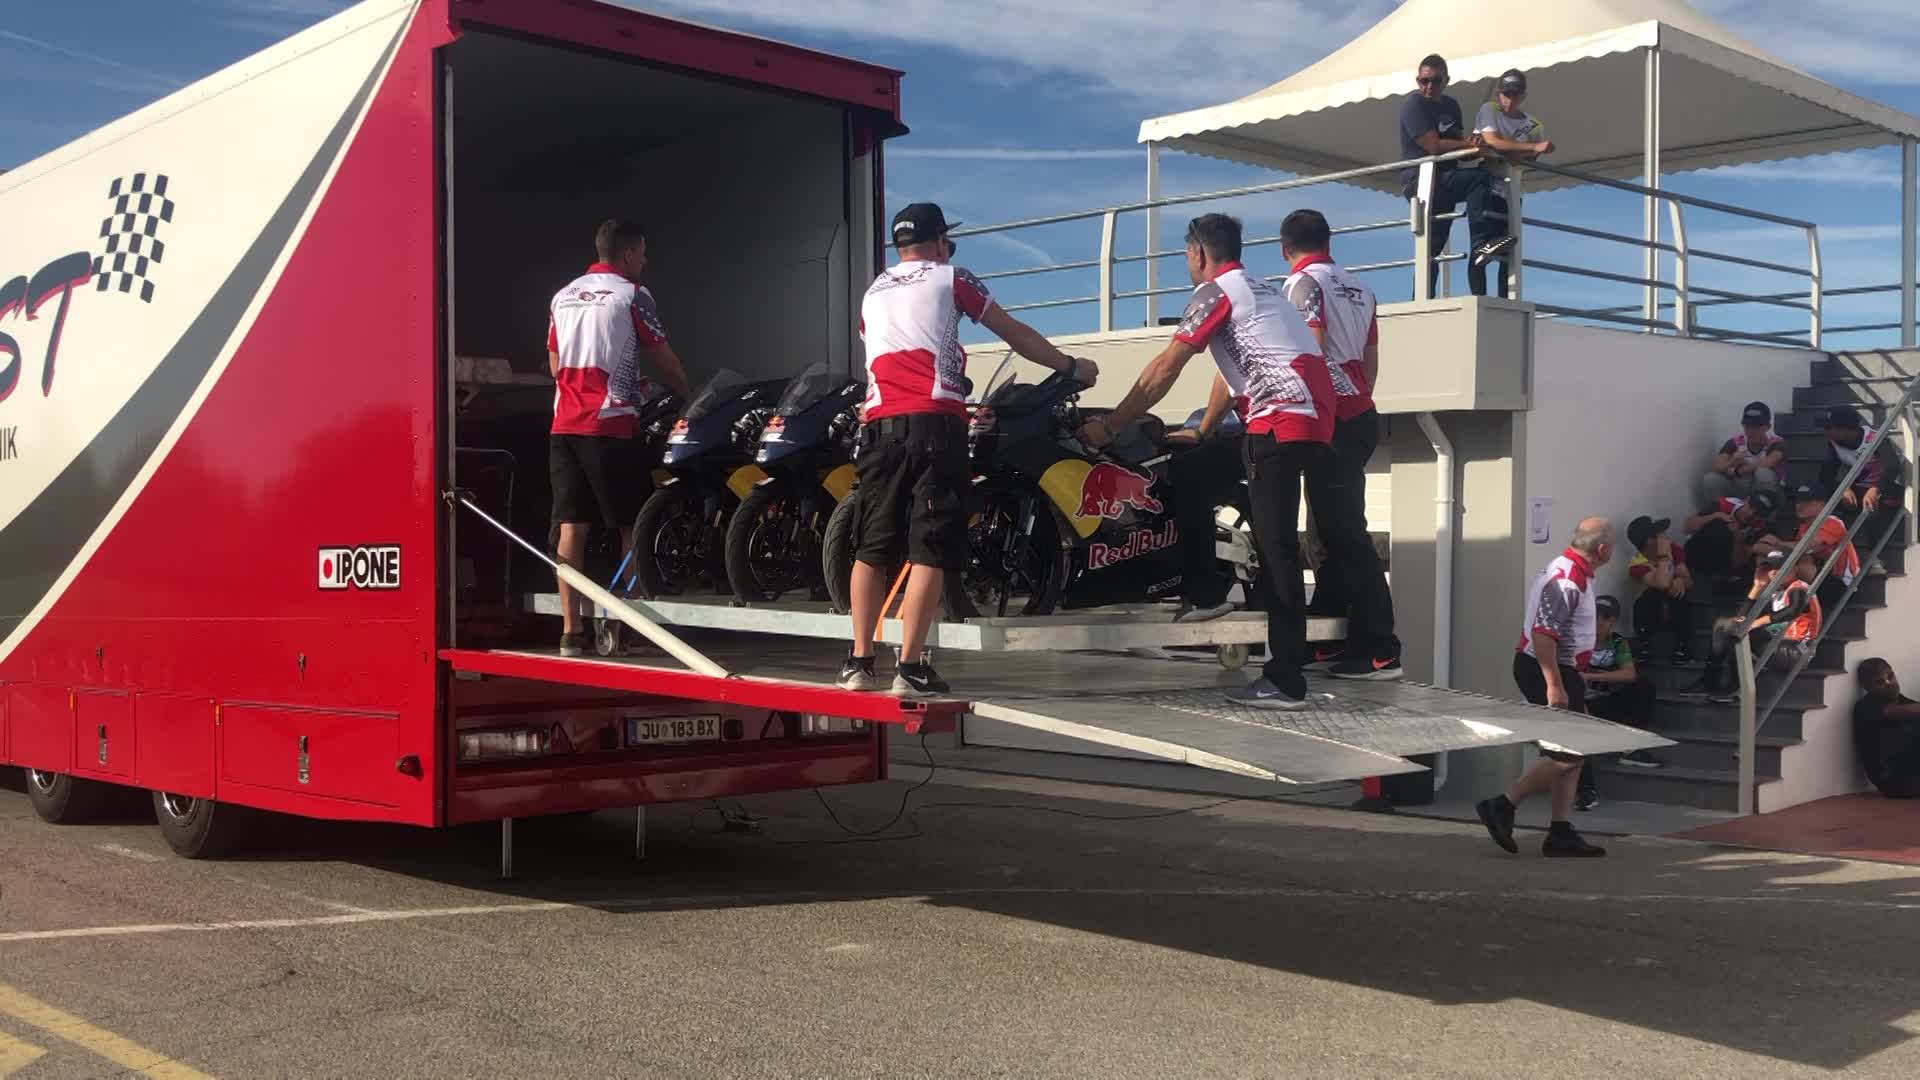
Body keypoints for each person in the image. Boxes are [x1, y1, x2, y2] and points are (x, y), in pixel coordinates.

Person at [1080, 213, 1335, 709]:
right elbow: (1231, 373)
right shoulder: (1260, 291)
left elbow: (1164, 370)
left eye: (1185, 254)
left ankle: (1284, 679)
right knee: (1196, 470)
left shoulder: (1215, 292)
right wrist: (1202, 430)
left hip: (1278, 424)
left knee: (1278, 549)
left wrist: (1110, 426)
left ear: (1197, 253)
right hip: (1312, 420)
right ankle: (1209, 590)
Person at [842, 203, 1096, 695]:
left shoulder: (873, 291)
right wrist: (1070, 366)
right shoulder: (952, 277)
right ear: (940, 243)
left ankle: (858, 662)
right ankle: (910, 669)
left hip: (878, 427)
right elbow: (1014, 333)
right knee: (930, 548)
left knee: (871, 548)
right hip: (936, 426)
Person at [548, 219, 692, 658]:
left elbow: (554, 363)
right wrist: (687, 395)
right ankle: (629, 624)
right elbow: (663, 356)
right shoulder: (632, 294)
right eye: (642, 255)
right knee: (631, 524)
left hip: (564, 424)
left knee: (572, 527)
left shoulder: (563, 295)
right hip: (611, 425)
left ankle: (572, 632)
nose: (645, 262)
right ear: (628, 254)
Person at [1271, 208, 1401, 679]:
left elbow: (1311, 349)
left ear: (1284, 248)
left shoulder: (1301, 285)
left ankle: (1381, 647)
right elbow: (1370, 360)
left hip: (1332, 418)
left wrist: (1319, 414)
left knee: (1344, 534)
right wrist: (1356, 401)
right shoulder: (1361, 288)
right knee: (1327, 529)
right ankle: (1329, 636)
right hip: (1359, 412)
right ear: (1328, 241)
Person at [1475, 516, 1614, 858]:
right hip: (1545, 669)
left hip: (1562, 670)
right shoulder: (1567, 579)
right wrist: (1554, 684)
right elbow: (1543, 634)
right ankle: (1503, 804)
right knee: (1568, 754)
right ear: (1602, 549)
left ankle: (1560, 831)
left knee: (1573, 752)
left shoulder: (1573, 570)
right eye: (1612, 543)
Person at [1398, 54, 1513, 298]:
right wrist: (1469, 146)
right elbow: (1433, 146)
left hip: (1445, 178)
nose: (1429, 85)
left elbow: (1458, 148)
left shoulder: (1451, 106)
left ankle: (1421, 300)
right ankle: (1481, 244)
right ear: (1418, 81)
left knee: (1433, 247)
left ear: (1446, 80)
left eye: (1436, 80)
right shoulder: (1413, 105)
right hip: (1420, 181)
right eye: (1424, 80)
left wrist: (1475, 146)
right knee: (1479, 179)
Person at [1680, 551, 1820, 705]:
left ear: (1794, 568)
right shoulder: (1777, 592)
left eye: (1779, 568)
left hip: (1797, 650)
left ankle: (1733, 689)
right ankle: (1711, 680)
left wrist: (1756, 623)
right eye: (1769, 568)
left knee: (1738, 634)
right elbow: (1741, 618)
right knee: (1725, 626)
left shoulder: (1799, 587)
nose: (1773, 572)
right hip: (1780, 644)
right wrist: (1757, 586)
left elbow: (1793, 610)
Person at [1468, 69, 1555, 299]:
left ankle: (1505, 302)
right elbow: (1492, 141)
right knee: (1480, 249)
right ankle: (1479, 301)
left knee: (1507, 251)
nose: (1509, 99)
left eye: (1515, 94)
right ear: (1498, 93)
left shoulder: (1534, 124)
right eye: (1506, 93)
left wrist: (1514, 150)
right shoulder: (1489, 109)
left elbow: (1521, 158)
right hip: (1485, 186)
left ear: (1523, 96)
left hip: (1511, 192)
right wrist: (1531, 147)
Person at [1580, 594, 1662, 805]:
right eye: (1594, 616)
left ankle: (1632, 748)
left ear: (1612, 621)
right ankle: (1585, 791)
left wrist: (1590, 676)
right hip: (1580, 705)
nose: (1597, 622)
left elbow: (1629, 674)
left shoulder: (1617, 642)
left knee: (1643, 687)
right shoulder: (1579, 641)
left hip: (1605, 704)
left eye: (1603, 618)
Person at [1820, 406, 1908, 562]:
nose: (1826, 432)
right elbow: (1826, 475)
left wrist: (1876, 489)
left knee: (1873, 509)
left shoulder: (1875, 438)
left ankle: (1875, 559)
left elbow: (1892, 467)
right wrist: (1843, 488)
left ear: (1846, 429)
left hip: (1888, 486)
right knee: (1820, 494)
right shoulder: (1834, 444)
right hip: (1861, 487)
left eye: (1829, 428)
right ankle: (1823, 545)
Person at [1762, 482, 1859, 616]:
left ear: (1822, 504)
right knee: (1770, 560)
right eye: (1798, 501)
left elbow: (1806, 546)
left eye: (1807, 501)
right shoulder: (1803, 527)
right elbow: (1782, 550)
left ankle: (1780, 608)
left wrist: (1777, 543)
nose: (1800, 505)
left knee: (1799, 563)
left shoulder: (1832, 521)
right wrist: (1769, 547)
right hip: (1818, 580)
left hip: (1842, 585)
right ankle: (1758, 606)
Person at [1626, 515, 1696, 666]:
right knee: (1652, 594)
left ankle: (1683, 646)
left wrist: (1680, 580)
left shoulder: (1674, 549)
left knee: (1679, 593)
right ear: (1649, 541)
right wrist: (1664, 556)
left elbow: (1689, 582)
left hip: (1674, 609)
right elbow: (1662, 584)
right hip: (1652, 616)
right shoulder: (1637, 564)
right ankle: (1645, 646)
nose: (1665, 537)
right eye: (1660, 535)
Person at [1682, 487, 1779, 589]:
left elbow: (1738, 563)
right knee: (1718, 525)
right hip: (1697, 554)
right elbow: (1687, 527)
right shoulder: (1725, 504)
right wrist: (1715, 516)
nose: (1750, 514)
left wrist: (1737, 536)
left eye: (1757, 514)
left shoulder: (1760, 529)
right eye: (1750, 507)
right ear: (1745, 500)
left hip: (1726, 565)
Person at [1852, 659, 1920, 799]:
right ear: (1867, 687)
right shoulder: (1865, 708)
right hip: (1894, 780)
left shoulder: (1908, 704)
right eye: (1880, 682)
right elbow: (1894, 712)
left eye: (1890, 676)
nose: (1889, 683)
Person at [1703, 401, 1786, 503]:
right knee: (1711, 478)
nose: (1751, 431)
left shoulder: (1777, 443)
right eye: (1747, 426)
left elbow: (1767, 463)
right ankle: (1720, 511)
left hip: (1770, 493)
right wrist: (1732, 462)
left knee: (1763, 473)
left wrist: (1738, 470)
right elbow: (1716, 466)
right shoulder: (1735, 442)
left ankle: (1763, 512)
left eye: (1756, 427)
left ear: (1768, 427)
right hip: (1741, 488)